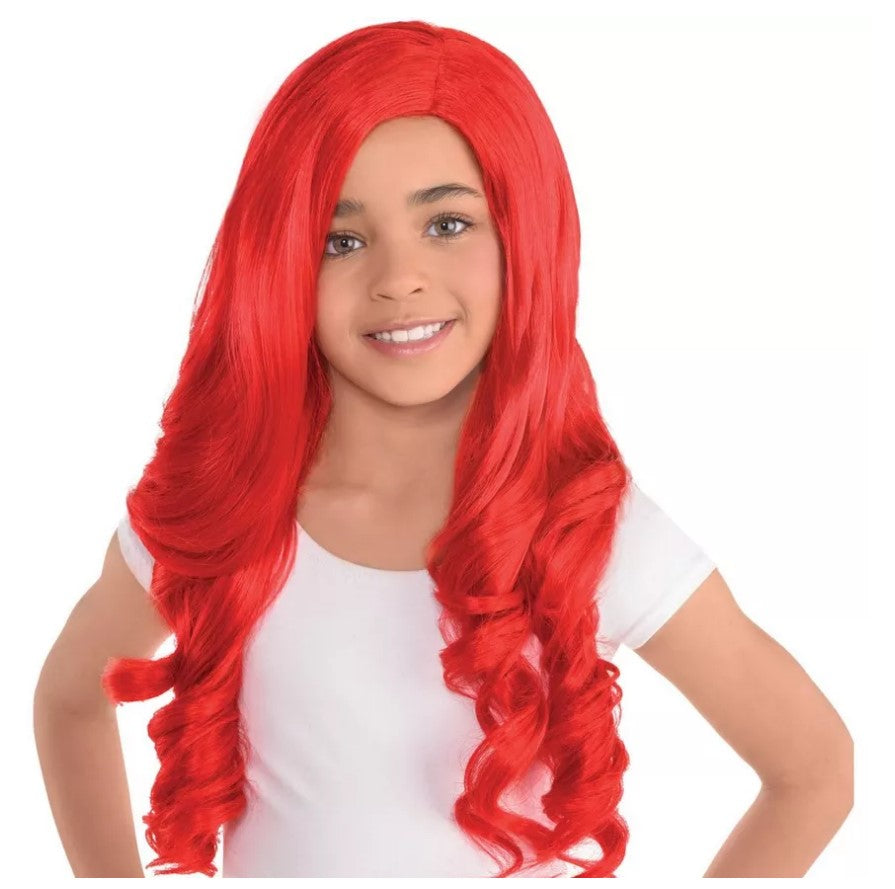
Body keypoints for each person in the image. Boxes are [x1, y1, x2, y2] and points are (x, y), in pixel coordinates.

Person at [33, 19, 853, 879]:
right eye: (341, 241)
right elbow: (69, 697)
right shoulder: (229, 514)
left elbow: (814, 771)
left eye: (448, 223)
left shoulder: (588, 532)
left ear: (523, 238)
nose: (398, 278)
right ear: (278, 263)